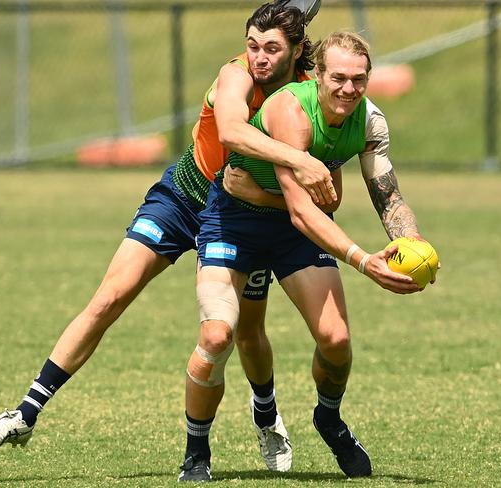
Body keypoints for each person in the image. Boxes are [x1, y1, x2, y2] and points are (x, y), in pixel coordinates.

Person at [0, 1, 330, 474]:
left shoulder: (306, 94)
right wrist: (299, 160)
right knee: (110, 297)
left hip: (242, 218)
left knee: (244, 330)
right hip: (182, 199)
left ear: (296, 49)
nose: (258, 57)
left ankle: (266, 417)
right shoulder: (236, 74)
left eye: (271, 48)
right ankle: (25, 411)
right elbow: (230, 129)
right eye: (251, 45)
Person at [181, 30, 435, 481]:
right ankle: (196, 452)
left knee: (336, 341)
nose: (348, 89)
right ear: (317, 75)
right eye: (338, 77)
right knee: (218, 335)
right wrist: (363, 261)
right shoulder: (290, 110)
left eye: (359, 79)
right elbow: (302, 211)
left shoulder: (371, 122)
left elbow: (389, 197)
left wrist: (411, 243)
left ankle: (329, 417)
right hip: (235, 218)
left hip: (291, 228)